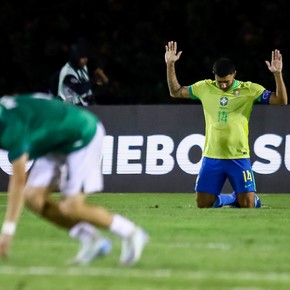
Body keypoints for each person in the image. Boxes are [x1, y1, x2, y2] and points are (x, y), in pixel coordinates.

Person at [0, 93, 148, 265]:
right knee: (33, 198)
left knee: (71, 207)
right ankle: (92, 239)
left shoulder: (10, 127)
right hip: (53, 141)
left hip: (82, 134)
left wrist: (7, 233)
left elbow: (18, 181)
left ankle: (131, 232)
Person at [165, 41, 288, 208]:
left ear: (234, 74)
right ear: (214, 75)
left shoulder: (249, 89)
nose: (223, 85)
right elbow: (176, 92)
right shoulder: (204, 87)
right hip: (211, 156)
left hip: (238, 157)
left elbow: (281, 101)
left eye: (227, 82)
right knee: (203, 205)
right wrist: (170, 65)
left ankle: (250, 198)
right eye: (219, 81)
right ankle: (231, 199)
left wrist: (277, 75)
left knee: (249, 205)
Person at [51, 39, 109, 106]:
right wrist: (94, 80)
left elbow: (86, 86)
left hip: (82, 105)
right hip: (69, 108)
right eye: (83, 58)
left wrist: (97, 79)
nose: (86, 60)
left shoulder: (82, 67)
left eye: (86, 58)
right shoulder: (68, 72)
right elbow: (80, 89)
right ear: (76, 58)